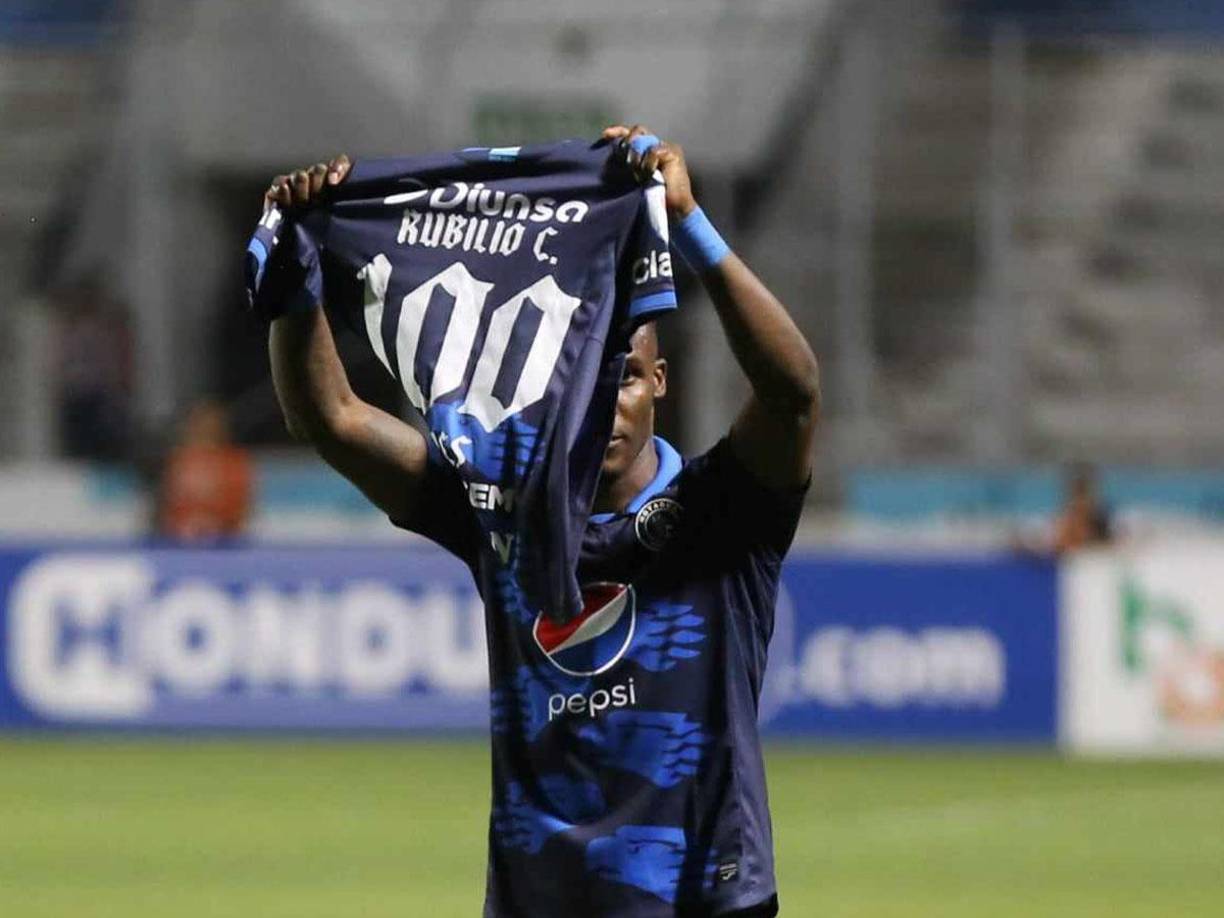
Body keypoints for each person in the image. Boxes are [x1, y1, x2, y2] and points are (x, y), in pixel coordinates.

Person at [263, 125, 819, 918]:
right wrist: (296, 277)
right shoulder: (502, 505)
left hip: (705, 896)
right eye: (586, 379)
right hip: (539, 900)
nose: (605, 402)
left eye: (623, 377)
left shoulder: (725, 509)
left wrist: (689, 223)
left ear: (658, 382)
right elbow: (334, 420)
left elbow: (793, 392)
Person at [155, 399, 254, 542]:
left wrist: (216, 526)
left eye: (211, 423)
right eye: (200, 423)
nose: (206, 428)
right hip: (178, 540)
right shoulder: (177, 460)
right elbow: (165, 504)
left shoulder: (234, 461)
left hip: (223, 540)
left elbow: (240, 506)